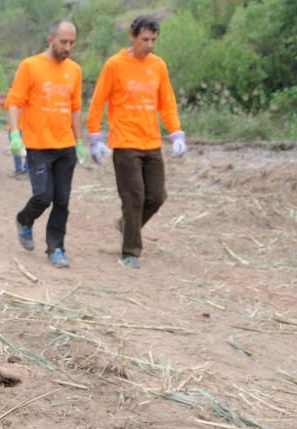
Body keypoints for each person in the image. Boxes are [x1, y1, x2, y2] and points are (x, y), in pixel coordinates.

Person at [86, 14, 186, 269]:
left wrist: (176, 133)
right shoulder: (114, 65)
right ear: (132, 37)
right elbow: (98, 101)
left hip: (151, 141)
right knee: (134, 197)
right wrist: (95, 136)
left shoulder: (158, 65)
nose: (149, 44)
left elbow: (167, 102)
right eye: (144, 39)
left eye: (153, 39)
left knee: (157, 196)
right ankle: (130, 252)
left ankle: (126, 226)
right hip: (124, 142)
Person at [6, 20, 83, 268]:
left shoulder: (75, 70)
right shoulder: (30, 66)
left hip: (65, 146)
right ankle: (24, 220)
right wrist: (15, 134)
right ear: (50, 40)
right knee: (43, 196)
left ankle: (56, 248)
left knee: (62, 200)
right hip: (38, 145)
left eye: (72, 42)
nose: (68, 47)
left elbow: (75, 109)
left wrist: (79, 142)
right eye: (63, 42)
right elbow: (15, 102)